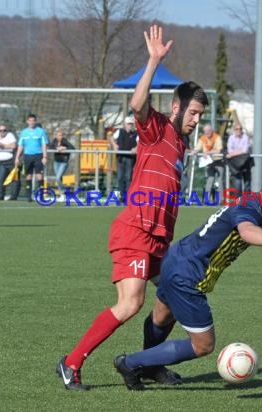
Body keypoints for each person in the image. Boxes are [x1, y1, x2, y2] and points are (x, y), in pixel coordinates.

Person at [56, 24, 209, 391]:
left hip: (158, 240)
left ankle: (151, 365)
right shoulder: (157, 128)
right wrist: (153, 61)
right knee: (130, 304)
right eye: (193, 113)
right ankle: (71, 363)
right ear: (176, 107)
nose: (197, 120)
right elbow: (137, 105)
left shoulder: (182, 146)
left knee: (171, 297)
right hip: (136, 231)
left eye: (201, 115)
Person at [113, 166, 262, 391]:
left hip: (175, 259)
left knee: (161, 319)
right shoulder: (250, 205)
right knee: (203, 345)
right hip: (189, 273)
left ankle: (149, 367)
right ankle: (130, 363)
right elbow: (246, 230)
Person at [14, 113, 48, 202]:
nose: (32, 122)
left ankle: (41, 196)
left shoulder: (41, 131)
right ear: (27, 121)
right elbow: (20, 145)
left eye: (33, 121)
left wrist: (44, 156)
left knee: (39, 176)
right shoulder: (24, 132)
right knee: (28, 175)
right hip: (27, 156)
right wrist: (17, 157)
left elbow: (44, 144)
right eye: (30, 121)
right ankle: (29, 196)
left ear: (35, 121)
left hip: (38, 155)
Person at [193, 124, 224, 202]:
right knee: (210, 180)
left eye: (209, 130)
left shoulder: (217, 137)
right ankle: (207, 199)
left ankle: (221, 200)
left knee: (220, 181)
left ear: (212, 131)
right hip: (209, 163)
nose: (207, 132)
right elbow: (198, 147)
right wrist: (195, 151)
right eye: (205, 131)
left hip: (218, 161)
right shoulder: (202, 138)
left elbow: (219, 150)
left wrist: (209, 152)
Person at [0, 124, 20, 201]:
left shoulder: (10, 135)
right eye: (1, 130)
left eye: (4, 130)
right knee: (0, 179)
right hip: (2, 162)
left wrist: (1, 145)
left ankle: (13, 197)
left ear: (7, 131)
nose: (2, 132)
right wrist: (6, 145)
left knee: (14, 179)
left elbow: (13, 146)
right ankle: (1, 196)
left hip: (11, 160)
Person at [111, 117, 138, 199]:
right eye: (128, 124)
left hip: (130, 158)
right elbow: (112, 138)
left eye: (131, 124)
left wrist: (136, 148)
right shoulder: (119, 131)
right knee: (120, 177)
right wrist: (115, 145)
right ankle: (121, 195)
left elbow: (140, 143)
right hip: (120, 157)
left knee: (128, 177)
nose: (130, 125)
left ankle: (128, 195)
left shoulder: (135, 133)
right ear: (125, 124)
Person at [226, 123, 252, 195]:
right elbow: (230, 150)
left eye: (240, 129)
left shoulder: (245, 137)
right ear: (234, 130)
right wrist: (239, 152)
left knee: (247, 183)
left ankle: (247, 202)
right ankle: (239, 201)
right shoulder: (231, 138)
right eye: (237, 129)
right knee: (238, 183)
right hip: (235, 164)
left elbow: (245, 150)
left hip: (246, 162)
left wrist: (233, 154)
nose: (239, 130)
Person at [49, 128, 75, 200]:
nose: (60, 137)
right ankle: (62, 196)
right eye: (58, 135)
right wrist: (57, 148)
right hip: (56, 162)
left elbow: (72, 148)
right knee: (58, 179)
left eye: (61, 135)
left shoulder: (65, 141)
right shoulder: (54, 141)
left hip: (63, 162)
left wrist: (64, 148)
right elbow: (50, 147)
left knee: (57, 178)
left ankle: (64, 192)